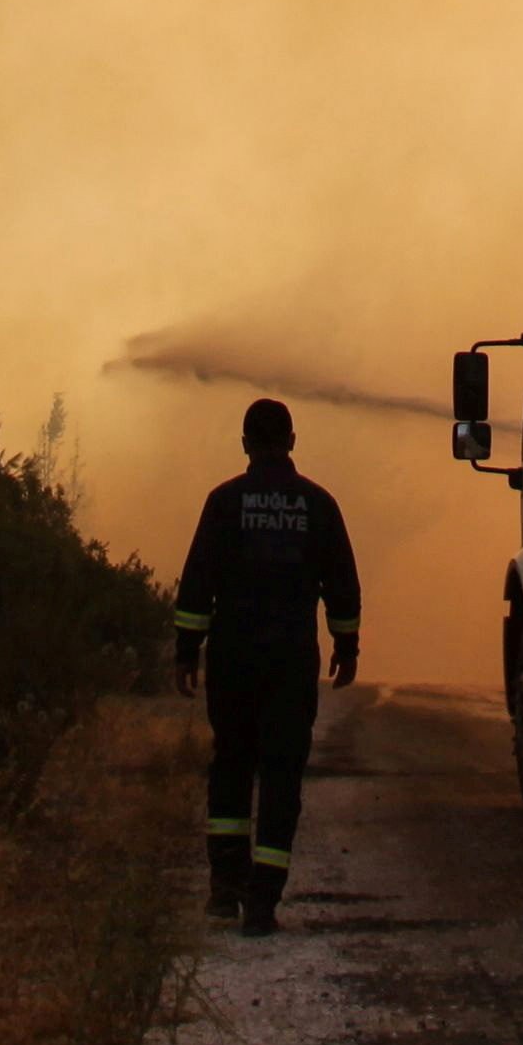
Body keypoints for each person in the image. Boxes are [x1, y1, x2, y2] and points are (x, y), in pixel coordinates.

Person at [170, 395, 359, 932]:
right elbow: (341, 585)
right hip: (290, 662)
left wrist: (187, 650)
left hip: (232, 658)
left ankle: (225, 887)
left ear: (246, 444)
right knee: (281, 774)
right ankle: (262, 902)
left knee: (231, 765)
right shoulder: (317, 504)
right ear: (292, 442)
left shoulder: (225, 502)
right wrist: (347, 646)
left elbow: (197, 583)